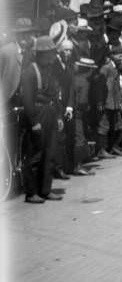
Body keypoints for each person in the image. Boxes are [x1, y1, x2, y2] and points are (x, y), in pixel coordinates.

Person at [19, 36, 68, 203]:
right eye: (51, 53)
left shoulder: (50, 70)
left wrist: (59, 116)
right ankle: (32, 192)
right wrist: (34, 122)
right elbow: (27, 100)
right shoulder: (30, 72)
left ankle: (45, 189)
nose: (53, 56)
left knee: (50, 153)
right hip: (37, 114)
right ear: (42, 54)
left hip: (50, 112)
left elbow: (55, 95)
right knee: (35, 155)